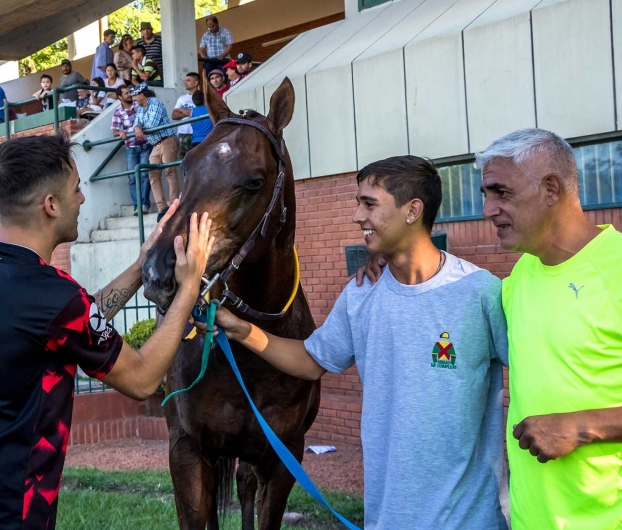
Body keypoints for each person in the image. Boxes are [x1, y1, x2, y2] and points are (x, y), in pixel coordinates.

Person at [0, 134, 214, 530]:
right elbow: (142, 377)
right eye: (76, 188)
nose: (82, 199)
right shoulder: (49, 295)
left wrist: (140, 266)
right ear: (50, 205)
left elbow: (68, 325)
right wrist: (189, 287)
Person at [201, 155, 510, 529]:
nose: (357, 216)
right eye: (357, 203)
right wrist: (239, 329)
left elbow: (535, 374)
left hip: (472, 521)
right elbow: (311, 360)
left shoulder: (479, 292)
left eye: (369, 204)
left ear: (413, 210)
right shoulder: (361, 294)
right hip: (387, 519)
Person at [476, 129, 622, 529]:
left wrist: (581, 426)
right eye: (485, 195)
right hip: (529, 519)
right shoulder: (519, 277)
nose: (488, 209)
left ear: (551, 189)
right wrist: (393, 265)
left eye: (501, 192)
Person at [132, 83, 178, 216]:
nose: (134, 98)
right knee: (153, 175)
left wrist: (140, 128)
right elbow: (136, 123)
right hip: (155, 144)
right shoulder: (141, 108)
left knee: (170, 172)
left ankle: (174, 204)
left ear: (141, 95)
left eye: (135, 95)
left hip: (167, 140)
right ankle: (162, 208)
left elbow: (152, 125)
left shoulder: (155, 103)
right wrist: (136, 128)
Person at [112, 85, 151, 216]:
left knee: (145, 175)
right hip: (131, 147)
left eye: (129, 92)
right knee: (132, 178)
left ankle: (145, 204)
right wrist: (120, 132)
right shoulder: (117, 112)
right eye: (126, 93)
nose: (129, 94)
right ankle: (137, 206)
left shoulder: (139, 104)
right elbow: (114, 131)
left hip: (145, 144)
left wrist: (138, 126)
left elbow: (148, 119)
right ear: (119, 97)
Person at [171, 72, 201, 159]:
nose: (185, 82)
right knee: (184, 161)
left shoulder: (202, 97)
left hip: (197, 133)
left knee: (198, 159)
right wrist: (191, 112)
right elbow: (174, 116)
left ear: (196, 83)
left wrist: (182, 110)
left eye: (188, 80)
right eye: (185, 80)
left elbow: (201, 113)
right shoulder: (182, 98)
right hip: (183, 134)